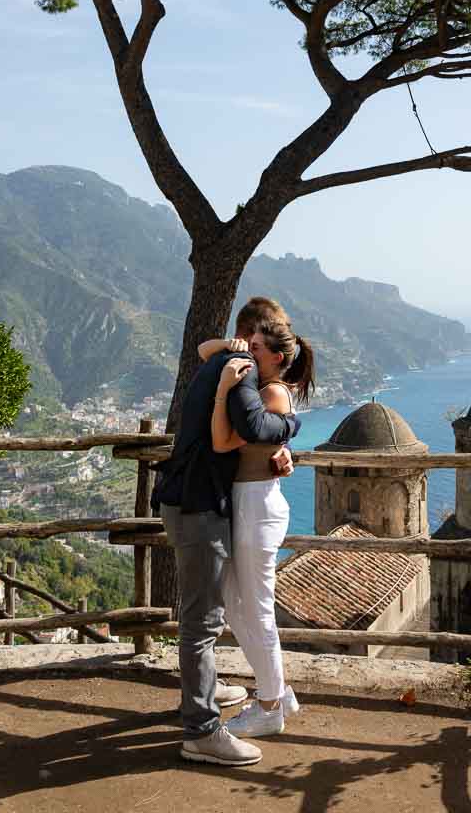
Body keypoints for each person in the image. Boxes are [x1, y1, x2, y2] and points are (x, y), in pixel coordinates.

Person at [152, 297, 297, 767]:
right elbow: (249, 427)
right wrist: (289, 427)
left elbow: (244, 437)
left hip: (188, 501)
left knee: (213, 613)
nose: (261, 347)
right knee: (204, 622)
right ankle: (201, 731)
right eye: (262, 337)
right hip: (199, 507)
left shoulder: (222, 360)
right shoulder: (239, 369)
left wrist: (281, 450)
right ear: (252, 339)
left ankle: (210, 692)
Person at [198, 317, 315, 739]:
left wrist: (224, 393)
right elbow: (203, 350)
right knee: (233, 601)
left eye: (258, 347)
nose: (249, 349)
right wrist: (232, 345)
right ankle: (277, 690)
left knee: (258, 608)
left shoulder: (272, 394)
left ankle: (268, 707)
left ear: (277, 358)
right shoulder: (260, 385)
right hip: (247, 505)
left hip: (257, 507)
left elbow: (228, 442)